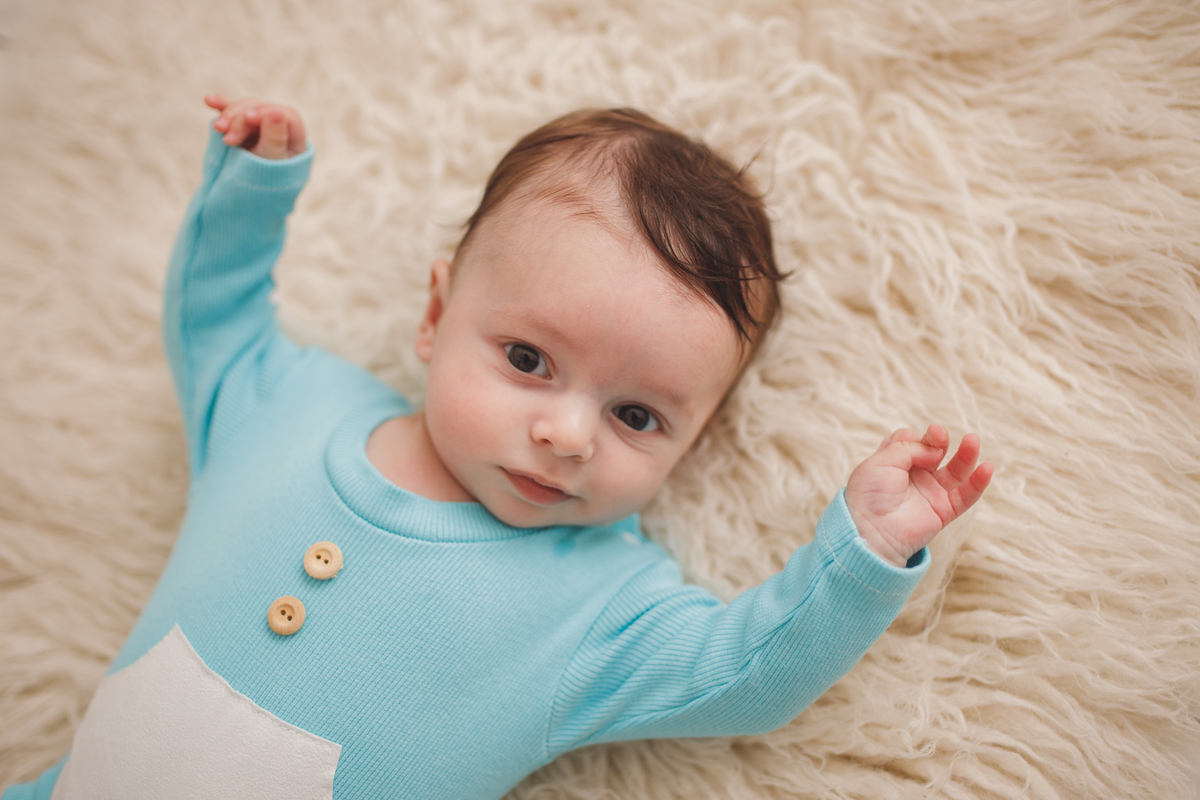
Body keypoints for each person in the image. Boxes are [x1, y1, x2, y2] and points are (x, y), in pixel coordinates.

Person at [4, 96, 992, 800]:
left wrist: (860, 551)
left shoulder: (604, 606)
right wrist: (253, 187)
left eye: (637, 416)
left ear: (696, 442)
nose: (565, 433)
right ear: (436, 312)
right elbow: (210, 321)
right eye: (528, 358)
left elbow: (750, 672)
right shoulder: (292, 403)